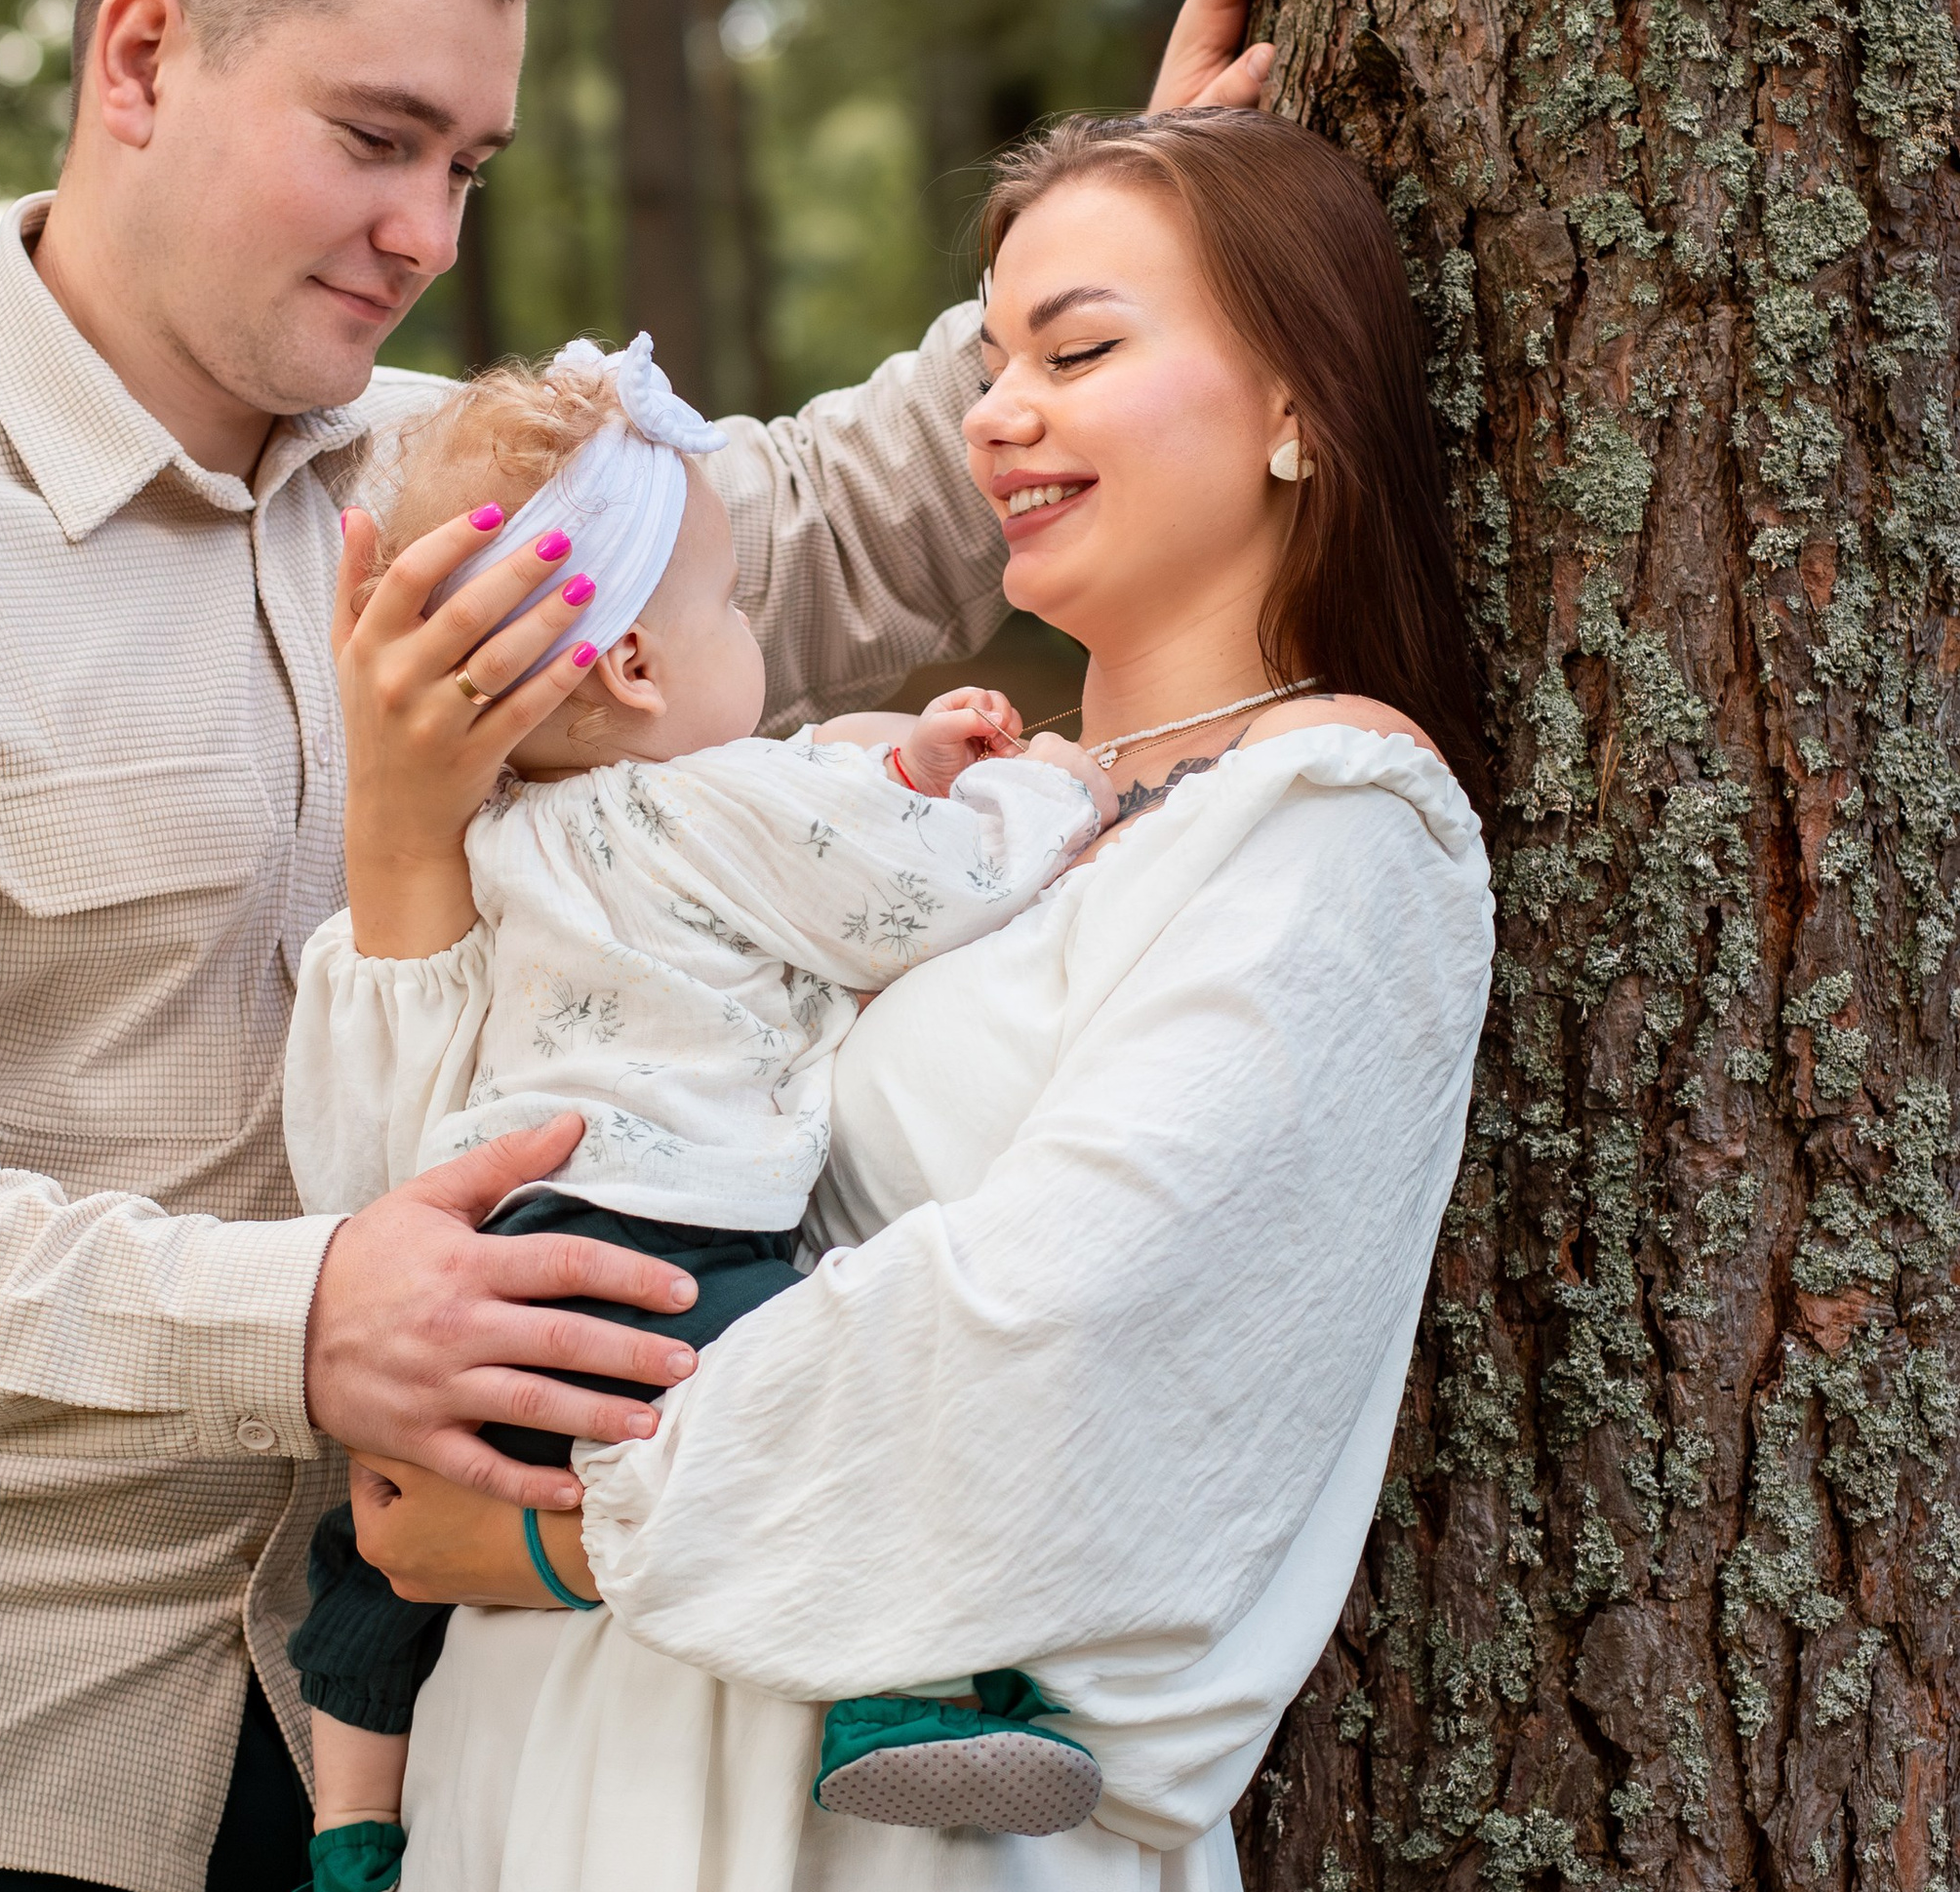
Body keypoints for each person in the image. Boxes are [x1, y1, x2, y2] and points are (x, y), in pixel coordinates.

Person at [0, 0, 1299, 1892]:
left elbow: (807, 529)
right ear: (144, 59)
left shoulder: (450, 490)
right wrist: (296, 1314)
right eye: (372, 139)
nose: (425, 234)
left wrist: (1162, 197)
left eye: (465, 162)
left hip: (340, 1747)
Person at [312, 106, 1498, 1889]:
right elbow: (432, 1217)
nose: (996, 412)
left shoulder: (1328, 828)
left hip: (866, 1830)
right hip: (536, 1784)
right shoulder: (896, 817)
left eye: (1079, 349)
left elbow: (1074, 1344)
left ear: (1295, 408)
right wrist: (407, 843)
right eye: (996, 355)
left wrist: (570, 1533)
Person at [280, 336, 1112, 1889]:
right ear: (641, 669)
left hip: (484, 1281)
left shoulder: (500, 843)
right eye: (729, 607)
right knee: (821, 1406)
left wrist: (903, 759)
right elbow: (923, 887)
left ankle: (350, 1841)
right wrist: (1052, 790)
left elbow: (355, 1138)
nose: (749, 634)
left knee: (365, 1568)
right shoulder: (715, 798)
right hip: (661, 1259)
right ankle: (888, 1698)